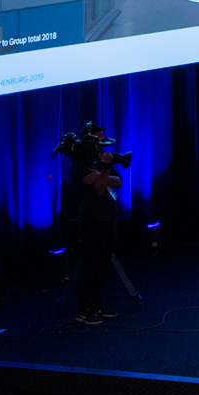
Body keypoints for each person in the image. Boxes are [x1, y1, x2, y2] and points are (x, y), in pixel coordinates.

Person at [64, 121, 123, 325]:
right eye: (97, 135)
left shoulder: (100, 160)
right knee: (89, 264)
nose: (101, 138)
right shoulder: (81, 163)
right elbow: (98, 189)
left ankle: (97, 305)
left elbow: (119, 182)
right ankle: (83, 310)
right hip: (92, 220)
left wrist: (102, 174)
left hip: (109, 217)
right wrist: (104, 171)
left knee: (103, 264)